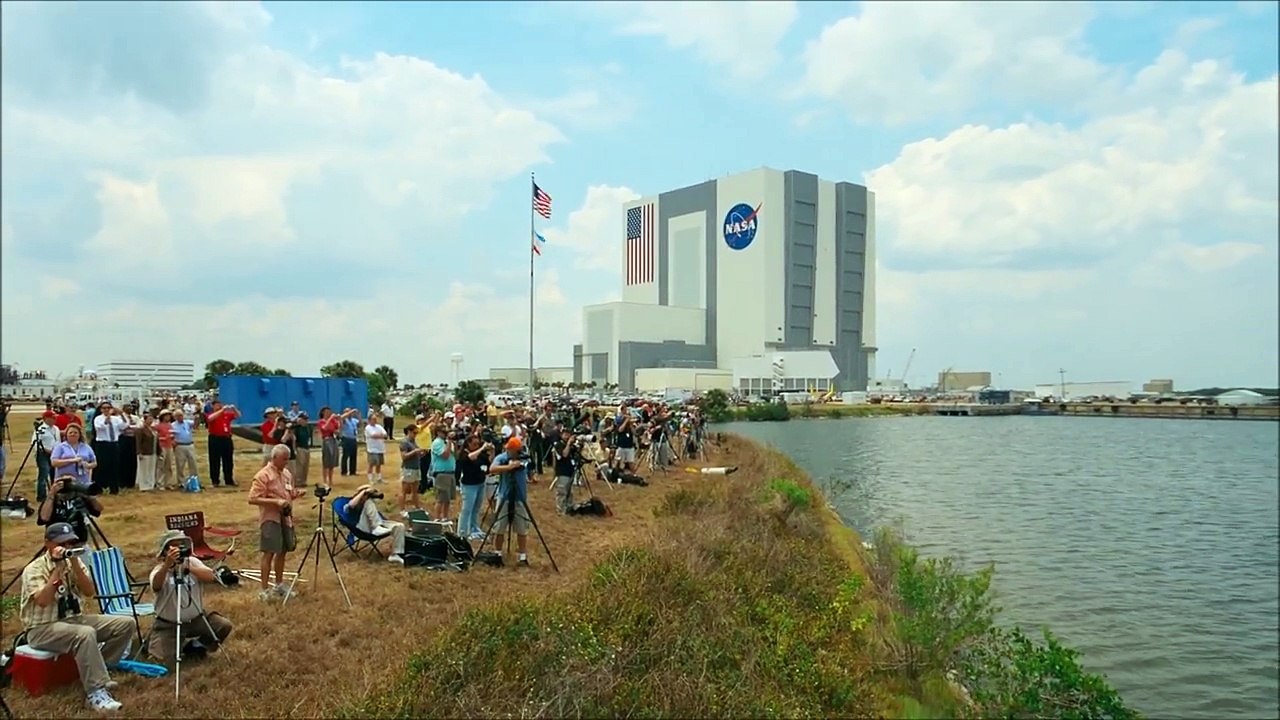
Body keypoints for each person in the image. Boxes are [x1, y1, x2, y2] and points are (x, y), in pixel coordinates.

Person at [20, 522, 133, 713]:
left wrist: (74, 564)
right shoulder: (34, 569)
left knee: (125, 624)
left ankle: (99, 672)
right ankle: (95, 693)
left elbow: (89, 592)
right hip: (42, 628)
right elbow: (42, 601)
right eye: (62, 544)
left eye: (71, 543)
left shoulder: (76, 562)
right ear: (47, 543)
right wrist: (57, 570)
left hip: (73, 620)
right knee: (85, 633)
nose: (67, 548)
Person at [147, 531, 234, 667]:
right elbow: (156, 586)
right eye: (173, 547)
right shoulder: (158, 570)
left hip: (197, 619)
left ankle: (196, 648)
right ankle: (159, 643)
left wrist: (187, 567)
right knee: (163, 663)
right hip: (168, 624)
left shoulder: (192, 562)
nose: (178, 550)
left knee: (223, 625)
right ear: (164, 551)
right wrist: (167, 566)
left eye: (181, 546)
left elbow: (212, 577)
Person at [247, 445, 304, 601]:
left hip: (286, 518)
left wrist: (295, 494)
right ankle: (264, 590)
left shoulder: (286, 473)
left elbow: (289, 492)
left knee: (283, 551)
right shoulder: (263, 475)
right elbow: (252, 499)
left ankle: (279, 585)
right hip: (270, 519)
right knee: (269, 552)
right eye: (284, 459)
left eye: (288, 458)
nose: (287, 462)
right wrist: (276, 502)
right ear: (274, 458)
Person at [489, 437, 533, 566]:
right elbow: (492, 469)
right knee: (500, 527)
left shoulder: (523, 457)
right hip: (505, 496)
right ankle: (497, 554)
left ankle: (522, 556)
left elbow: (530, 466)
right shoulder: (502, 457)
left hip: (520, 497)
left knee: (522, 528)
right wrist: (509, 467)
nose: (510, 451)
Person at [38, 473, 105, 545]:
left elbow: (98, 509)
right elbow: (44, 518)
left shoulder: (79, 498)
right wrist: (51, 494)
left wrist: (88, 495)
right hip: (58, 542)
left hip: (79, 541)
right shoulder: (52, 500)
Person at [347, 484, 406, 564]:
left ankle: (395, 554)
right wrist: (364, 492)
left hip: (378, 524)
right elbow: (351, 505)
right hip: (363, 528)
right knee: (368, 502)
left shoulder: (370, 502)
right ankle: (376, 527)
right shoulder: (353, 503)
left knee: (399, 526)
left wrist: (373, 491)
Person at [456, 433, 493, 540]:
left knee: (476, 508)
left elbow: (489, 462)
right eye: (474, 444)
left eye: (478, 443)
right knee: (467, 509)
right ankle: (462, 532)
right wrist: (482, 448)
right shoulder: (464, 453)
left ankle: (474, 528)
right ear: (468, 444)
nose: (476, 446)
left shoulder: (480, 453)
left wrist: (492, 451)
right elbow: (471, 458)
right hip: (469, 485)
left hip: (480, 483)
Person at [91, 401, 125, 495]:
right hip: (102, 444)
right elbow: (99, 427)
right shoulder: (98, 418)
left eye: (108, 408)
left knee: (114, 466)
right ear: (101, 409)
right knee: (102, 466)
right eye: (104, 408)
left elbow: (124, 426)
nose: (106, 410)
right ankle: (100, 487)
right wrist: (108, 418)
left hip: (114, 444)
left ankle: (114, 488)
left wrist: (121, 414)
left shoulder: (116, 419)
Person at [205, 400, 239, 488]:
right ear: (213, 406)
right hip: (215, 438)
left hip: (226, 438)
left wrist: (234, 409)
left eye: (220, 405)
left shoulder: (226, 415)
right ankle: (215, 480)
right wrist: (221, 410)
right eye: (216, 405)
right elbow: (210, 418)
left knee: (228, 460)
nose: (219, 406)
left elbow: (238, 415)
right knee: (214, 460)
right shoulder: (211, 414)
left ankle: (229, 479)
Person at [429, 425, 456, 525]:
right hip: (442, 472)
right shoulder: (437, 443)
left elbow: (455, 455)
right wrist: (449, 442)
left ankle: (445, 517)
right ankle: (437, 518)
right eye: (443, 431)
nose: (446, 433)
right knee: (441, 498)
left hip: (450, 472)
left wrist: (453, 443)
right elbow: (445, 455)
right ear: (438, 432)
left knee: (447, 498)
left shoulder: (446, 442)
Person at [397, 424, 426, 514]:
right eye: (414, 433)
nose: (415, 435)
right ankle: (402, 509)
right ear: (409, 432)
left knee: (415, 490)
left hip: (416, 467)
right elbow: (404, 456)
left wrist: (421, 454)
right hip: (408, 468)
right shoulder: (404, 442)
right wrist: (415, 451)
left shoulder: (414, 442)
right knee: (404, 490)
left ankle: (416, 507)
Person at [33, 416, 61, 503]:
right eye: (51, 418)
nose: (53, 420)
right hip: (43, 454)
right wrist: (46, 450)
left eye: (54, 418)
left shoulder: (56, 428)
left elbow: (58, 441)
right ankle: (41, 496)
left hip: (54, 453)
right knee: (44, 473)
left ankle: (55, 492)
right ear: (45, 419)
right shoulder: (41, 429)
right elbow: (35, 443)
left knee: (54, 474)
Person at [551, 426, 578, 514]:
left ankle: (569, 508)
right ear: (561, 434)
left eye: (569, 434)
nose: (567, 436)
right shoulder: (558, 444)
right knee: (562, 491)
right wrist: (569, 444)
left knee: (570, 491)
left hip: (570, 470)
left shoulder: (571, 446)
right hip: (562, 471)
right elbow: (564, 454)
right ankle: (561, 509)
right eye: (565, 434)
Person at [170, 408, 198, 482]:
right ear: (175, 417)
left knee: (193, 463)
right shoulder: (172, 425)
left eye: (181, 415)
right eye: (178, 416)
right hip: (179, 445)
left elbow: (195, 425)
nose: (180, 417)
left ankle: (194, 479)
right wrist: (173, 442)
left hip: (189, 444)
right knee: (180, 464)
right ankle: (181, 481)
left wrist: (196, 418)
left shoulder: (187, 422)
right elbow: (170, 435)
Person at [135, 410, 159, 491]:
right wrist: (139, 452)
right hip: (144, 452)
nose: (151, 421)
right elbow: (138, 442)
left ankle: (150, 484)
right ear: (145, 420)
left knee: (151, 469)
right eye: (149, 419)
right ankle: (143, 485)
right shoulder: (141, 430)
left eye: (151, 419)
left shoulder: (153, 430)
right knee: (143, 469)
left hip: (153, 451)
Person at [155, 409, 176, 490]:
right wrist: (164, 438)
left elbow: (172, 435)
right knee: (161, 465)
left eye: (169, 415)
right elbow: (156, 437)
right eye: (166, 415)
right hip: (162, 446)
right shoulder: (158, 426)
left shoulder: (170, 425)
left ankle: (168, 482)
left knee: (169, 465)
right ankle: (160, 483)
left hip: (169, 446)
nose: (168, 417)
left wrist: (173, 440)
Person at [291, 412, 313, 487]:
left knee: (305, 465)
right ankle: (298, 481)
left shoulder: (308, 428)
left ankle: (304, 480)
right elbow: (294, 439)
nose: (305, 421)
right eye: (304, 419)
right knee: (300, 465)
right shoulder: (297, 428)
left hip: (306, 447)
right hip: (300, 447)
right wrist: (295, 449)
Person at [364, 412, 388, 484]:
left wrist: (379, 435)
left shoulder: (379, 426)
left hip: (380, 448)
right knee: (371, 464)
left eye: (375, 419)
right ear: (369, 420)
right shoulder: (368, 428)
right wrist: (380, 435)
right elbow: (373, 435)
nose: (375, 420)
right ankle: (370, 479)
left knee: (379, 464)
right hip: (372, 449)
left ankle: (379, 478)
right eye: (373, 419)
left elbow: (385, 434)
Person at [339, 408, 360, 477]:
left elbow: (360, 423)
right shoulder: (344, 420)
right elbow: (341, 417)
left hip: (353, 438)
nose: (350, 413)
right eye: (347, 412)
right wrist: (351, 411)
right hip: (346, 439)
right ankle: (344, 471)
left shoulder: (354, 420)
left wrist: (358, 414)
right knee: (345, 455)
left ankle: (352, 471)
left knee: (353, 456)